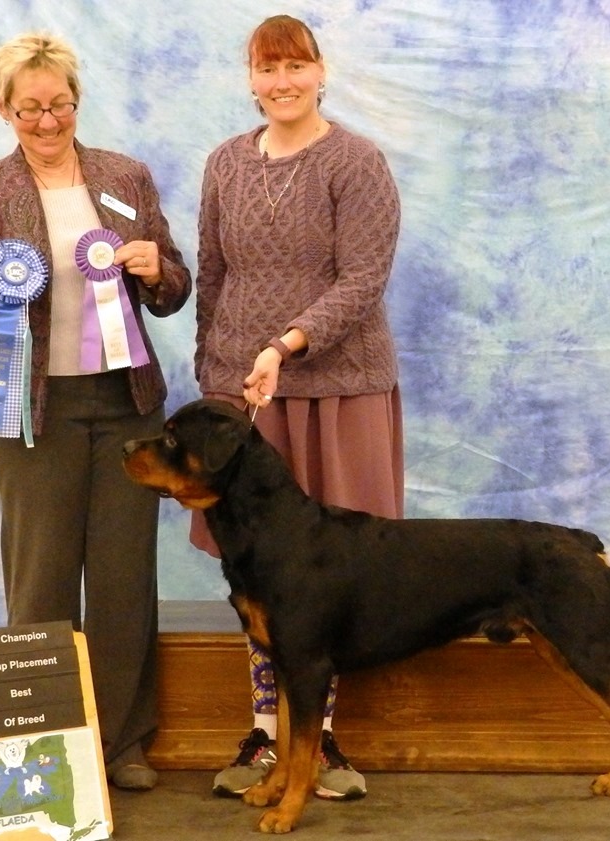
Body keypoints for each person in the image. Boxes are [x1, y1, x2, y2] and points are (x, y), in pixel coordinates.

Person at [0, 32, 191, 791]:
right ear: (4, 109)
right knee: (40, 582)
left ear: (77, 101)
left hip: (127, 403)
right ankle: (42, 741)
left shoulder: (126, 177)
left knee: (123, 578)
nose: (47, 121)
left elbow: (174, 290)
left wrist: (155, 268)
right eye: (30, 108)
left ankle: (120, 742)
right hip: (25, 409)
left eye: (60, 104)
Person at [192, 14, 403, 801]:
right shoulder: (223, 163)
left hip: (338, 387)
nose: (280, 81)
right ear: (250, 78)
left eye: (295, 65)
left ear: (321, 71)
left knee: (327, 573)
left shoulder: (357, 161)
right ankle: (264, 729)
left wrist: (285, 345)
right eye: (265, 67)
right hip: (248, 398)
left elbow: (364, 278)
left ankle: (323, 739)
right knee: (257, 569)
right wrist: (218, 375)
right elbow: (211, 275)